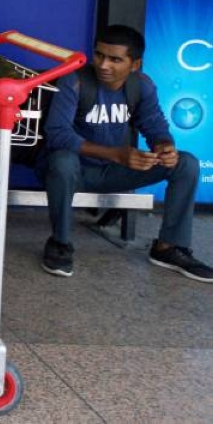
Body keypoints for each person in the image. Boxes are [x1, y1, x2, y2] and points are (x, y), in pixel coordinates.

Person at [40, 24, 211, 282]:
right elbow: (57, 133)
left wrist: (165, 147)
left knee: (185, 163)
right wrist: (115, 154)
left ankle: (168, 247)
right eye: (99, 55)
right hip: (72, 171)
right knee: (63, 160)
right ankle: (60, 244)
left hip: (113, 171)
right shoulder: (74, 80)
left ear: (134, 64)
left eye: (115, 59)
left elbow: (154, 126)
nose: (104, 65)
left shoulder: (141, 86)